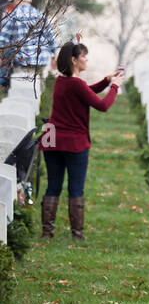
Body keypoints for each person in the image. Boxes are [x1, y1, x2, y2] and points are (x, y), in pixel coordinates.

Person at [41, 42, 121, 240]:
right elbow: (102, 105)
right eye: (84, 56)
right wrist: (115, 87)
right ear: (74, 60)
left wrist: (106, 81)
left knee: (53, 186)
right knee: (75, 188)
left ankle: (47, 232)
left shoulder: (62, 81)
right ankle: (77, 234)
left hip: (52, 140)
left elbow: (85, 92)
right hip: (74, 142)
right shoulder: (76, 84)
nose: (86, 59)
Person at [0, 0, 57, 99]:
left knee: (19, 88)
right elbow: (51, 38)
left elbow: (3, 39)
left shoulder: (13, 15)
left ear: (18, 1)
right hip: (40, 59)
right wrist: (54, 54)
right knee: (36, 88)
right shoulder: (41, 15)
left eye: (13, 1)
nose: (12, 3)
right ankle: (36, 109)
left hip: (22, 60)